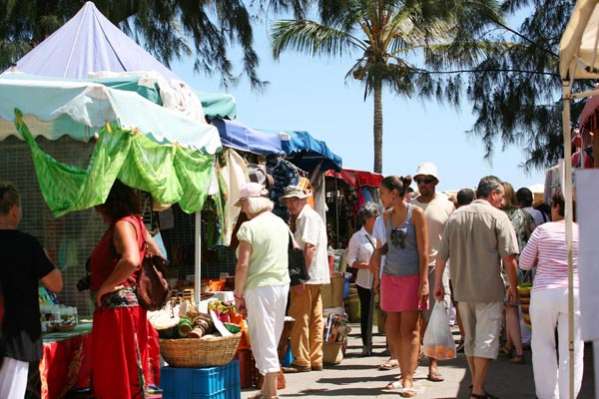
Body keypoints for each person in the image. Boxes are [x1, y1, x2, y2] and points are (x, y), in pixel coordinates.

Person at [435, 176, 519, 399]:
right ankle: (478, 390)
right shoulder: (498, 217)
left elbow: (441, 257)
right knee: (486, 340)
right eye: (501, 197)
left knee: (471, 340)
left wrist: (437, 285)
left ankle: (476, 386)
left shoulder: (455, 217)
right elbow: (509, 258)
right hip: (489, 290)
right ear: (493, 194)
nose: (503, 202)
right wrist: (513, 286)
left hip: (462, 288)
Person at [90, 180, 162, 398]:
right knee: (131, 373)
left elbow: (130, 259)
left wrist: (105, 287)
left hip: (118, 313)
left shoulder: (123, 224)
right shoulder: (137, 223)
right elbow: (155, 252)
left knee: (116, 375)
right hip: (130, 311)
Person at [0, 182, 63, 398]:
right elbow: (56, 284)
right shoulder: (27, 245)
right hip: (16, 338)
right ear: (15, 210)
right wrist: (45, 259)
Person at [519, 192, 583, 399]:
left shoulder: (542, 230)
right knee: (573, 349)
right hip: (575, 292)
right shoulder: (584, 232)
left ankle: (548, 395)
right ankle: (568, 395)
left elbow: (524, 263)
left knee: (543, 345)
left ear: (556, 206)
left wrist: (541, 258)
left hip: (545, 293)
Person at [371, 176, 429, 397]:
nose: (381, 197)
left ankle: (408, 378)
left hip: (411, 277)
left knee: (411, 329)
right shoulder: (385, 217)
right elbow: (388, 246)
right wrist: (377, 254)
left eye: (382, 193)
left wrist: (424, 281)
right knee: (392, 329)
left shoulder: (416, 214)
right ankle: (403, 372)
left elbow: (423, 252)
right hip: (390, 277)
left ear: (394, 193)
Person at [233, 183, 290, 399]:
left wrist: (238, 295)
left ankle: (271, 392)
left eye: (244, 203)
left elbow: (243, 265)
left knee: (262, 338)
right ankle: (267, 389)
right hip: (281, 285)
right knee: (271, 337)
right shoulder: (280, 224)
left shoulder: (249, 227)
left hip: (259, 288)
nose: (243, 209)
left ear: (251, 202)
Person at [411, 162, 454, 382]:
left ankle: (433, 365)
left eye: (426, 180)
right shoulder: (410, 206)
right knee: (412, 316)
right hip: (412, 267)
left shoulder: (446, 205)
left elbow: (451, 240)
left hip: (437, 267)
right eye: (418, 180)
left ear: (435, 182)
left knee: (436, 316)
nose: (422, 184)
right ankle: (410, 363)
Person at [282, 185, 330, 372]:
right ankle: (315, 357)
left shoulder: (307, 217)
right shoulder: (306, 217)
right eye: (288, 200)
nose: (290, 204)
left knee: (300, 316)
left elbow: (310, 248)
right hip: (315, 276)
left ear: (302, 200)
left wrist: (302, 277)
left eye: (294, 200)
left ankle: (302, 359)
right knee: (315, 317)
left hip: (308, 276)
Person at [501, 182, 535, 364]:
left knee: (510, 308)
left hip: (507, 267)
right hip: (524, 266)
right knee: (516, 307)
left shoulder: (500, 216)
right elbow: (533, 238)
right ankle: (510, 343)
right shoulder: (525, 215)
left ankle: (517, 349)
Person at [346, 203, 379, 356]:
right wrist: (366, 266)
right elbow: (350, 260)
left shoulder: (382, 234)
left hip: (383, 279)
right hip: (365, 280)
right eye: (374, 217)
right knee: (366, 313)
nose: (377, 219)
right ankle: (367, 344)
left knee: (387, 311)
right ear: (367, 219)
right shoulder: (357, 237)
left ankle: (390, 346)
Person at [450, 188, 476, 352]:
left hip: (456, 267)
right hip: (475, 267)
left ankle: (465, 337)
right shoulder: (478, 216)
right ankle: (474, 337)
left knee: (459, 303)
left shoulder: (453, 218)